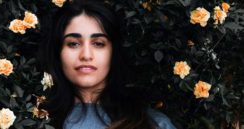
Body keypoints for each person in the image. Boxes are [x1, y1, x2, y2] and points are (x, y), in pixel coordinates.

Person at [38, 0, 177, 129]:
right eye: (73, 44)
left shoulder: (153, 124)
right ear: (58, 52)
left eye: (98, 43)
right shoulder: (35, 118)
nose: (86, 55)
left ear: (113, 52)